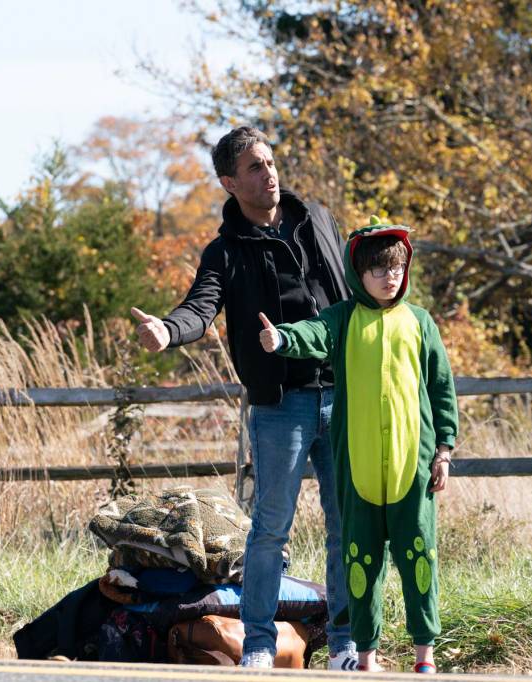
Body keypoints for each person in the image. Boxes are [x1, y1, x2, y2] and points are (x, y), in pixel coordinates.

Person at [131, 126, 357, 670]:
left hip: (344, 394)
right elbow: (200, 306)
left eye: (271, 162)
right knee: (270, 529)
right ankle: (257, 644)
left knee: (346, 525)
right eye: (255, 167)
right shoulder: (226, 250)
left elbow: (353, 293)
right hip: (283, 404)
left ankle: (347, 644)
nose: (269, 173)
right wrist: (168, 330)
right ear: (231, 182)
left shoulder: (317, 220)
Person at [258, 216, 458, 674]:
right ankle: (365, 658)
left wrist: (444, 451)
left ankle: (424, 657)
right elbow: (312, 334)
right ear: (358, 274)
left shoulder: (420, 322)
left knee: (418, 558)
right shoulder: (343, 320)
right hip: (358, 467)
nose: (389, 277)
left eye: (396, 268)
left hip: (415, 468)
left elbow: (442, 387)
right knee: (360, 563)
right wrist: (282, 338)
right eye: (378, 270)